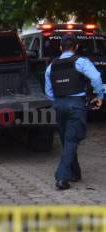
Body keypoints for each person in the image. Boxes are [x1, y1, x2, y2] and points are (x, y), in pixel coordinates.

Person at [45, 34, 104, 190]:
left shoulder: (51, 66)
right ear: (76, 47)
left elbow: (48, 92)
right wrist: (99, 96)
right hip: (76, 105)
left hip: (58, 105)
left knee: (67, 140)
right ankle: (62, 178)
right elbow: (97, 78)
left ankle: (74, 173)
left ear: (60, 48)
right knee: (71, 140)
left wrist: (59, 101)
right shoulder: (81, 62)